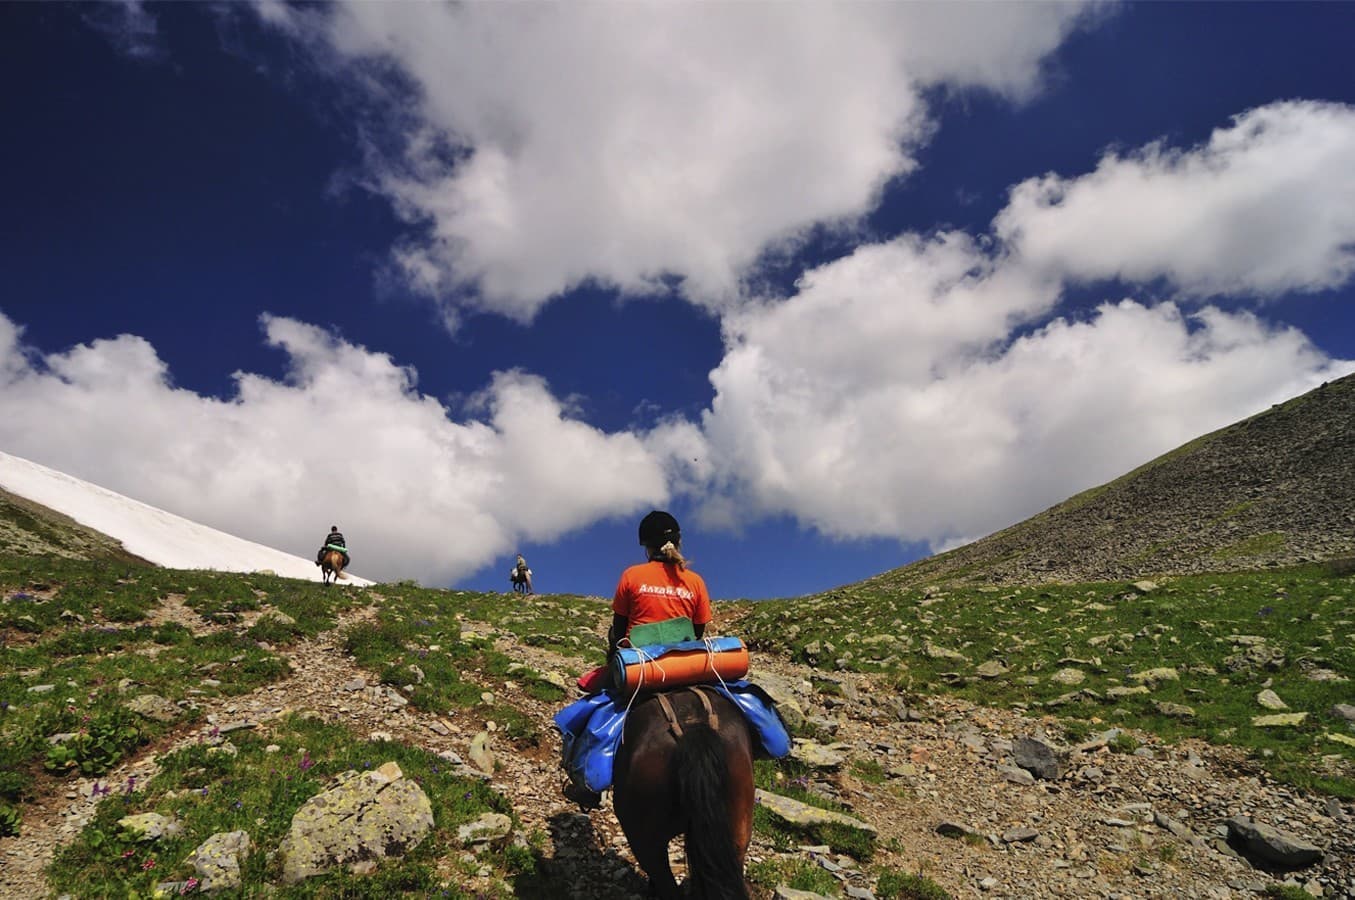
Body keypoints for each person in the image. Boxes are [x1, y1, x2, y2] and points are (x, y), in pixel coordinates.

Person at [562, 510, 712, 808]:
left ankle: (588, 785)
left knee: (598, 711)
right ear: (678, 541)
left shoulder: (632, 576)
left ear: (646, 546)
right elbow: (697, 632)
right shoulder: (695, 581)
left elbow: (619, 631)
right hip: (685, 667)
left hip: (640, 668)